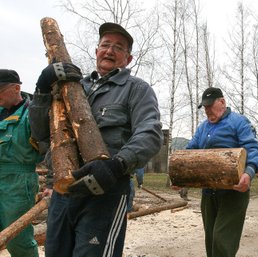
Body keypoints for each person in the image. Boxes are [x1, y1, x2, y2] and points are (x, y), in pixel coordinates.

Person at [29, 22, 163, 257]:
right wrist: (41, 90)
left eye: (118, 47)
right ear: (96, 50)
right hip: (63, 191)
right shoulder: (72, 86)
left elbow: (150, 133)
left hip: (105, 192)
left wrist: (117, 164)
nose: (110, 51)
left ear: (128, 58)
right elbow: (39, 133)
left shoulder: (136, 89)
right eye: (105, 45)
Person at [186, 87, 258, 257]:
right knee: (211, 241)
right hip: (208, 193)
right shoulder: (203, 128)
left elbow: (253, 149)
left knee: (222, 241)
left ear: (222, 102)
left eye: (210, 106)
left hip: (233, 192)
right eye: (204, 107)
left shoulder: (239, 122)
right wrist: (180, 175)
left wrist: (248, 173)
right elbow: (190, 151)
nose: (207, 111)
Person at [0, 69, 43, 257]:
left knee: (17, 239)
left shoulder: (32, 113)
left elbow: (48, 148)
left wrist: (51, 181)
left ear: (16, 88)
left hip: (19, 183)